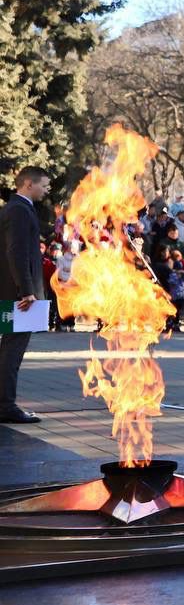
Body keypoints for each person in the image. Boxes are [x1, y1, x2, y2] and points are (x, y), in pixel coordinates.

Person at [0, 166, 51, 423]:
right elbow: (16, 252)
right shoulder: (18, 210)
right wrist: (27, 291)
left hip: (17, 291)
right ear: (29, 184)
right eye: (44, 185)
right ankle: (6, 406)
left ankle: (5, 403)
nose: (46, 190)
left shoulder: (19, 208)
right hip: (19, 296)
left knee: (9, 348)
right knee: (12, 349)